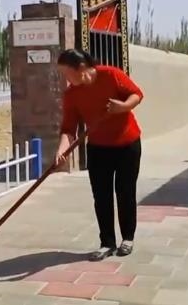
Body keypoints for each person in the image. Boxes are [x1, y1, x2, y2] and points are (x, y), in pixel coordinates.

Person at [55, 48, 144, 261]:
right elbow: (69, 128)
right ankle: (107, 243)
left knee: (125, 192)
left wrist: (123, 107)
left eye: (67, 73)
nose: (65, 78)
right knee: (101, 196)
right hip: (98, 148)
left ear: (81, 68)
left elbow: (137, 94)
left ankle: (128, 238)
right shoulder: (72, 94)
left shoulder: (110, 75)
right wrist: (62, 148)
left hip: (127, 144)